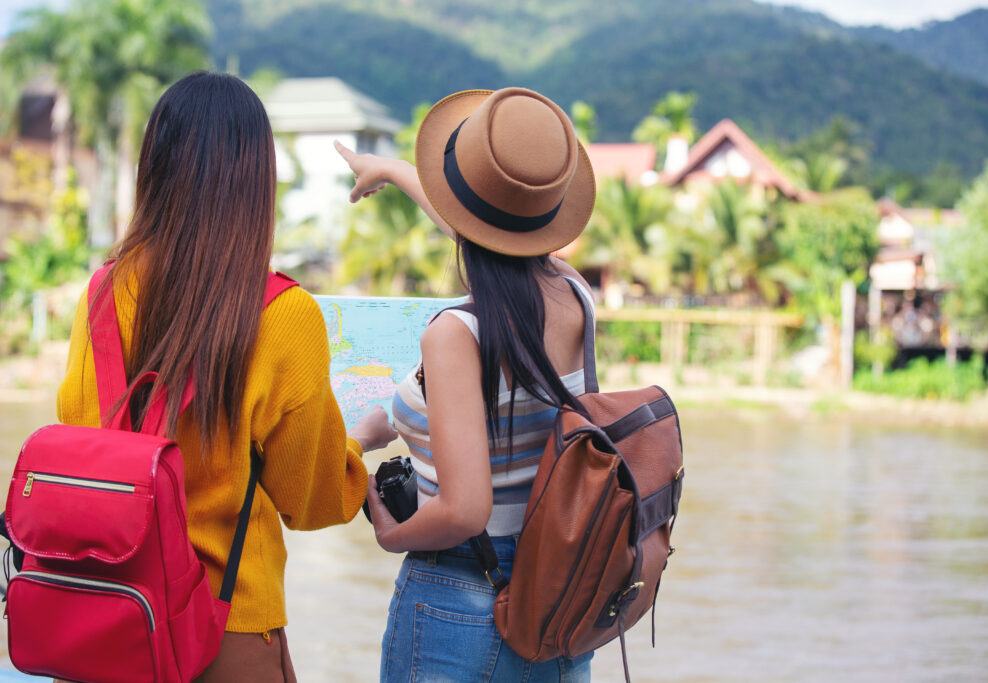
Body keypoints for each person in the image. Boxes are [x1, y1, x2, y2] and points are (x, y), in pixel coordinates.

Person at [56, 71, 397, 682]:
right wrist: (357, 446)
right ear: (255, 182)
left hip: (101, 618)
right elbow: (308, 499)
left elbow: (79, 428)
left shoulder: (103, 293)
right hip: (221, 630)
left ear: (152, 169)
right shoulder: (284, 315)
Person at [336, 87, 597, 682]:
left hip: (460, 598)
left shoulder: (457, 333)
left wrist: (391, 533)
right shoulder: (576, 295)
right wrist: (399, 173)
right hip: (554, 596)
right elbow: (492, 235)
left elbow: (464, 508)